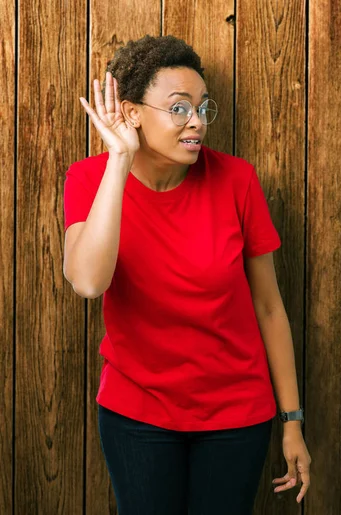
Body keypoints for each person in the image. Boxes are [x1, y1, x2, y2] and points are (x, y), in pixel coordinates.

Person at [62, 35, 311, 515]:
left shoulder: (237, 180)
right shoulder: (89, 178)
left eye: (201, 108)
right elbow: (89, 282)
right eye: (178, 109)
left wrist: (293, 421)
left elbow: (269, 307)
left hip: (236, 416)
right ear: (132, 113)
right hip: (137, 414)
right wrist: (120, 160)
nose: (196, 122)